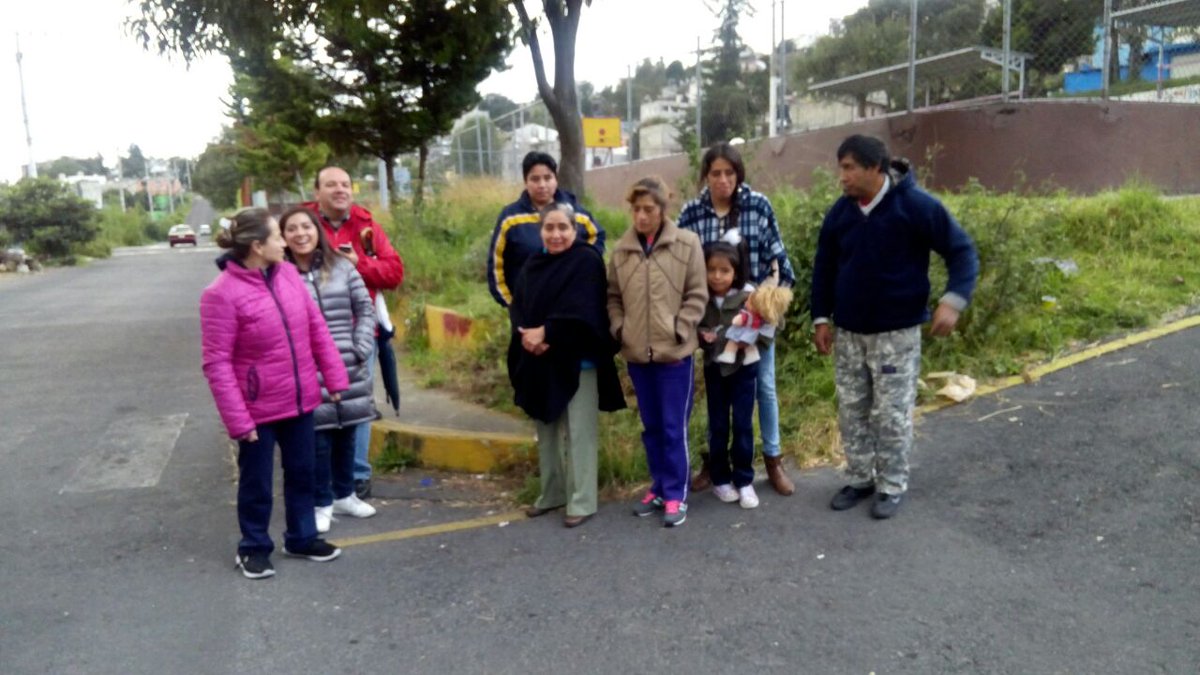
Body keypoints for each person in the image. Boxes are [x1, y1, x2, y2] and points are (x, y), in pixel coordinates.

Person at [811, 134, 979, 519]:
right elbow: (824, 267)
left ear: (875, 168)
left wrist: (953, 301)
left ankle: (891, 485)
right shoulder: (841, 213)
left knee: (891, 413)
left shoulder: (916, 207)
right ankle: (859, 478)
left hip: (895, 333)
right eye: (841, 168)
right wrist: (821, 317)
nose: (842, 177)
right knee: (853, 410)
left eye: (849, 168)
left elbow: (962, 251)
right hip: (850, 332)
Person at [200, 208, 349, 579]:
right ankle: (253, 547)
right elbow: (216, 363)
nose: (285, 242)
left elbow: (315, 326)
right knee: (257, 482)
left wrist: (334, 377)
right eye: (277, 236)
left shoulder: (286, 275)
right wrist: (238, 420)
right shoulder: (220, 295)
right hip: (256, 407)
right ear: (256, 246)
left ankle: (301, 538)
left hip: (299, 397)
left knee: (303, 471)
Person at [677, 142, 798, 496]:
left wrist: (766, 305)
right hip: (711, 324)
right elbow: (679, 269)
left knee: (764, 387)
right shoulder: (691, 214)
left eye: (729, 173)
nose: (723, 180)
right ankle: (716, 466)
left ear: (739, 175)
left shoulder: (758, 206)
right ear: (706, 176)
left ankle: (772, 461)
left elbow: (783, 265)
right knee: (715, 397)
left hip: (754, 321)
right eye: (715, 173)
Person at [507, 203, 626, 528]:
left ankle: (582, 500)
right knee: (545, 429)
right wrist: (529, 336)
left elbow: (584, 310)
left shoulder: (586, 261)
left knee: (579, 432)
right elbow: (519, 306)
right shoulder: (534, 264)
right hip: (540, 358)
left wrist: (548, 332)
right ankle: (552, 493)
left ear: (575, 230)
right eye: (550, 228)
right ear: (540, 231)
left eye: (563, 228)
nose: (556, 234)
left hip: (578, 360)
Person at [607, 177, 707, 528]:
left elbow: (697, 294)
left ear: (663, 209)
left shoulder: (687, 244)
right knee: (650, 426)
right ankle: (660, 486)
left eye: (649, 209)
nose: (642, 216)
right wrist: (620, 329)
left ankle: (677, 493)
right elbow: (614, 298)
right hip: (637, 353)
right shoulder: (621, 252)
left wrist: (681, 328)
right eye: (636, 209)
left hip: (674, 354)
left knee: (672, 425)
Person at [303, 166, 405, 500]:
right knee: (316, 403)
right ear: (317, 192)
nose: (340, 190)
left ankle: (356, 475)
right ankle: (321, 475)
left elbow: (393, 272)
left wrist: (357, 264)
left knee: (357, 403)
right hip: (310, 333)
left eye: (345, 184)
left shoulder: (367, 227)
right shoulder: (302, 225)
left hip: (359, 331)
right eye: (330, 184)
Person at [280, 207, 379, 534]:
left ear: (316, 230)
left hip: (348, 363)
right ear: (283, 237)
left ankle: (345, 494)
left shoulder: (341, 266)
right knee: (318, 440)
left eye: (305, 226)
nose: (300, 233)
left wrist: (360, 346)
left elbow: (365, 307)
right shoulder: (280, 275)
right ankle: (321, 501)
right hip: (309, 370)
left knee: (347, 431)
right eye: (291, 229)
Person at [488, 151, 605, 308]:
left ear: (556, 179)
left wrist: (582, 265)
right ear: (525, 182)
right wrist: (512, 305)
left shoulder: (575, 212)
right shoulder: (510, 218)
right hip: (528, 307)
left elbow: (596, 236)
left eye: (548, 178)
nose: (542, 185)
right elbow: (496, 265)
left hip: (569, 306)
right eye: (535, 179)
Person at [697, 242, 765, 509]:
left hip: (744, 369)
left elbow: (770, 325)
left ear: (735, 272)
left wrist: (753, 340)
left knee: (743, 424)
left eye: (724, 270)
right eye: (711, 270)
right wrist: (704, 336)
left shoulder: (750, 295)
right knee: (718, 425)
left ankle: (744, 479)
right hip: (715, 369)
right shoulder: (701, 297)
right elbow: (695, 326)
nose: (717, 276)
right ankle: (720, 479)